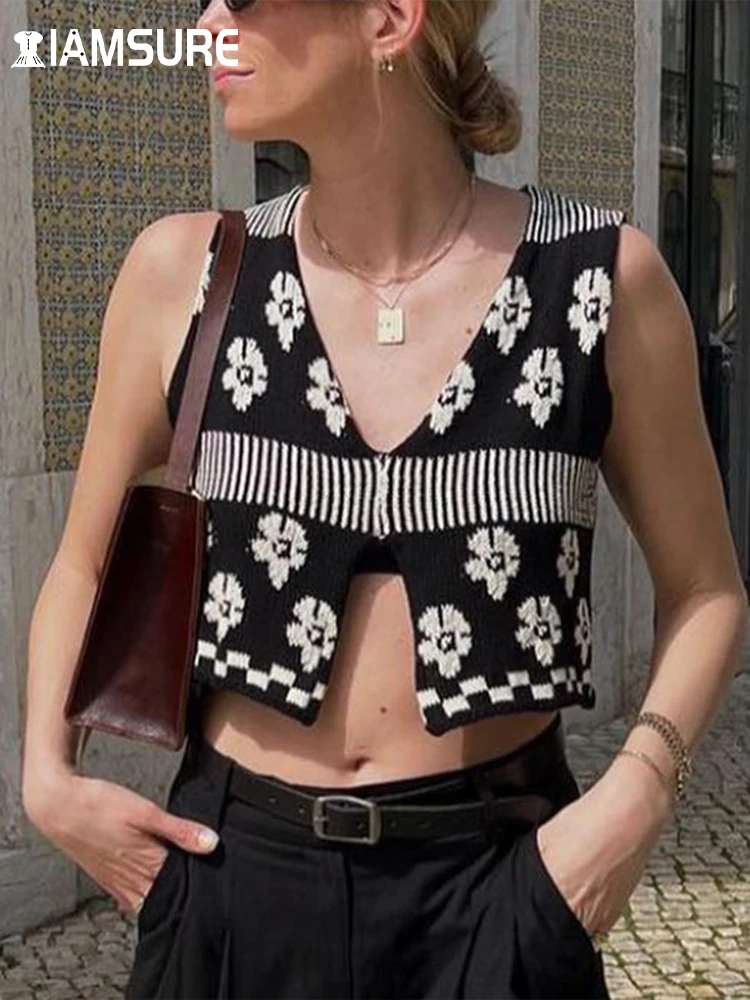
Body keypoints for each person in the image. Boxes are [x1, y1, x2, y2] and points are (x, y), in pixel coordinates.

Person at [21, 0, 748, 998]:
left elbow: (707, 588)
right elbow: (84, 562)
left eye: (245, 0)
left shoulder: (598, 282)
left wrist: (639, 794)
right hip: (232, 882)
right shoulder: (185, 273)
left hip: (498, 886)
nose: (209, 24)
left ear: (389, 20)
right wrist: (48, 778)